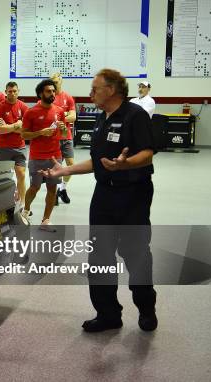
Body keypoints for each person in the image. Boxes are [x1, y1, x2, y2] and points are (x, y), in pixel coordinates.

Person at [39, 68, 157, 333]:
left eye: (95, 88)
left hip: (132, 195)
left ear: (112, 90)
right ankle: (107, 314)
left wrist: (125, 165)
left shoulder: (135, 116)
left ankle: (146, 308)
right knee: (99, 256)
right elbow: (97, 161)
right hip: (104, 194)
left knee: (135, 254)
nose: (90, 93)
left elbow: (147, 154)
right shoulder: (100, 119)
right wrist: (64, 171)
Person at [20, 79, 65, 229]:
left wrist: (64, 128)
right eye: (48, 91)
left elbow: (64, 132)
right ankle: (26, 210)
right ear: (40, 94)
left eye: (53, 91)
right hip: (37, 157)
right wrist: (40, 132)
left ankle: (46, 220)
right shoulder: (31, 112)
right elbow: (24, 135)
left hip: (55, 157)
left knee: (52, 189)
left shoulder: (59, 111)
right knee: (35, 187)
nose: (52, 94)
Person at [0, 82, 28, 206]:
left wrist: (9, 127)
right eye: (10, 91)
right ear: (5, 92)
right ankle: (5, 202)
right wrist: (16, 125)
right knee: (5, 177)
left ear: (18, 91)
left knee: (21, 173)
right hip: (3, 147)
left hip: (19, 146)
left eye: (14, 91)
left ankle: (23, 204)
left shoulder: (24, 107)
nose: (12, 93)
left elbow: (25, 129)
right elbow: (0, 130)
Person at [50, 72, 77, 205]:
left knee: (71, 165)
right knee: (56, 167)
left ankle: (62, 188)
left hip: (66, 136)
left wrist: (60, 115)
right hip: (53, 138)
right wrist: (65, 114)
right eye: (52, 81)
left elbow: (73, 117)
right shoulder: (49, 97)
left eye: (56, 81)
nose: (54, 83)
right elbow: (49, 117)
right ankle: (54, 193)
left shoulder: (68, 97)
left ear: (61, 81)